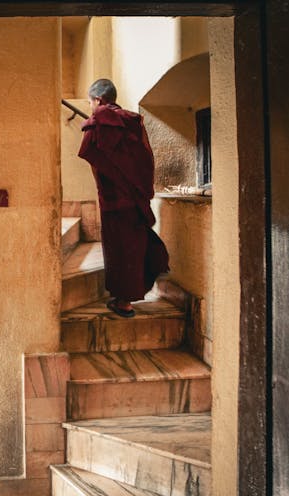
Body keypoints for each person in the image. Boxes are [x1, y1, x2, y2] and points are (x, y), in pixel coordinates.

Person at [78, 78, 169, 318]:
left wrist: (104, 187)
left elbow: (92, 157)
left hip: (113, 200)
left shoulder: (98, 122)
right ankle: (129, 295)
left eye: (90, 103)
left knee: (118, 250)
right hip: (137, 197)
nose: (91, 108)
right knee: (135, 247)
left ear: (98, 100)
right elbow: (146, 159)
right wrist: (141, 190)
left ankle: (124, 303)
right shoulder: (133, 121)